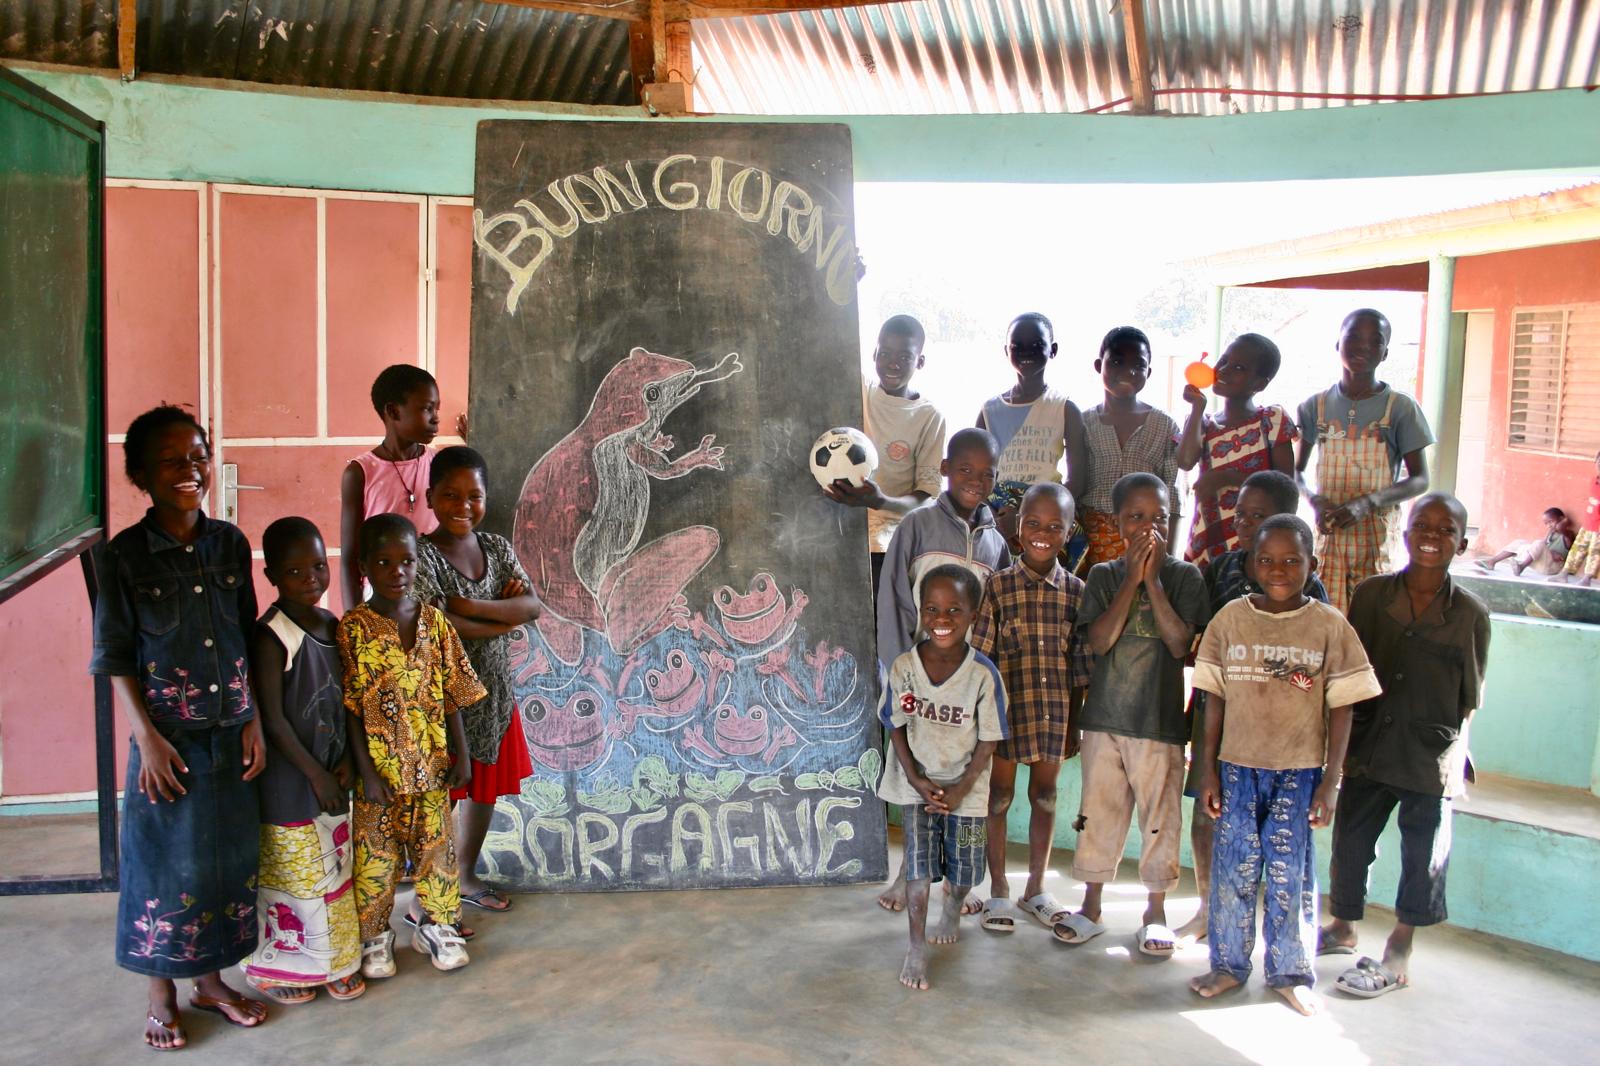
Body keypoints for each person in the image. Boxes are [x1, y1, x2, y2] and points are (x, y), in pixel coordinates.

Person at [90, 405, 269, 1050]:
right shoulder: (123, 557)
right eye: (171, 461)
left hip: (231, 732)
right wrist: (146, 739)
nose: (190, 469)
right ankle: (161, 994)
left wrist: (253, 718)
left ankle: (211, 983)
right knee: (164, 866)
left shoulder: (229, 544)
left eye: (198, 456)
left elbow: (245, 635)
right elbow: (113, 655)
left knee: (224, 863)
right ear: (141, 475)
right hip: (169, 740)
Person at [1189, 514, 1382, 1016]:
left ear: (1312, 564)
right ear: (1251, 564)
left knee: (1289, 874)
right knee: (1233, 869)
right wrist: (1207, 769)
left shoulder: (1329, 626)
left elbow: (1343, 707)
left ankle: (1290, 973)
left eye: (1292, 560)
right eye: (1267, 560)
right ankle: (1228, 965)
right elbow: (1212, 698)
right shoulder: (1229, 619)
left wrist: (1331, 782)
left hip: (1299, 771)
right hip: (1236, 768)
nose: (1278, 569)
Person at [1322, 494, 1490, 998]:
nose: (1432, 536)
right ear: (1405, 530)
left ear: (1462, 543)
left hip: (1428, 755)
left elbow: (1469, 697)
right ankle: (1343, 925)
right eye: (1423, 524)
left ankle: (1400, 948)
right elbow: (1351, 672)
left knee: (1423, 854)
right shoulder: (1372, 595)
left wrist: (1454, 761)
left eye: (1446, 529)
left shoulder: (1470, 614)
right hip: (1370, 743)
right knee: (1351, 841)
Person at [1053, 473, 1207, 956]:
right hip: (1104, 720)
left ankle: (1155, 913)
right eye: (1136, 517)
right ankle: (1091, 906)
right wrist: (1131, 582)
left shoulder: (1184, 578)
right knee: (1098, 815)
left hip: (1159, 725)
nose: (1148, 527)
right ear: (1118, 524)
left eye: (1159, 517)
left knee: (1160, 820)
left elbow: (1179, 644)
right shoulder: (1103, 575)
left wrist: (1153, 582)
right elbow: (1100, 641)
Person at [1175, 470, 1329, 943]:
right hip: (1217, 712)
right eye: (1239, 513)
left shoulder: (1310, 588)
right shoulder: (1222, 569)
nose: (1242, 523)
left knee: (1274, 825)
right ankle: (1208, 908)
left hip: (1280, 727)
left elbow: (1316, 667)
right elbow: (1197, 640)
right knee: (1208, 811)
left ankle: (1266, 922)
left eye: (1257, 516)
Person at [340, 514, 485, 979]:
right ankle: (375, 936)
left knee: (436, 851)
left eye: (406, 561)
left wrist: (462, 754)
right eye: (384, 562)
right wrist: (365, 772)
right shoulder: (353, 628)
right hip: (378, 777)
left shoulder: (435, 623)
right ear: (364, 567)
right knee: (376, 860)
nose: (397, 571)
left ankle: (439, 927)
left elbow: (452, 693)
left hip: (432, 766)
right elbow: (351, 709)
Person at [874, 428, 1010, 914]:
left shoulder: (995, 542)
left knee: (961, 778)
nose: (975, 480)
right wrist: (898, 673)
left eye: (986, 474)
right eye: (965, 469)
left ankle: (957, 881)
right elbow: (893, 599)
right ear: (945, 470)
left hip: (965, 686)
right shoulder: (918, 525)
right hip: (918, 678)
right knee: (915, 769)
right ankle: (905, 873)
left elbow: (995, 614)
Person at [412, 446, 542, 917]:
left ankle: (465, 876)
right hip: (441, 700)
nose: (463, 506)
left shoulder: (497, 549)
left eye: (474, 496)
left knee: (483, 789)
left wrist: (468, 606)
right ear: (430, 497)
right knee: (440, 797)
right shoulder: (420, 555)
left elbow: (531, 607)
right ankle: (431, 895)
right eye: (450, 495)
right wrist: (503, 618)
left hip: (493, 695)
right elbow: (435, 624)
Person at [241, 517, 366, 1005]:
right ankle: (278, 969)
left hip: (330, 775)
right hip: (290, 783)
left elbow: (346, 700)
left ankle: (334, 963)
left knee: (333, 873)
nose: (310, 578)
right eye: (294, 571)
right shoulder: (271, 636)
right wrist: (314, 775)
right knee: (294, 879)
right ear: (271, 575)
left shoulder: (331, 624)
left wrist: (348, 760)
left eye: (317, 566)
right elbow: (273, 720)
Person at [968, 483, 1092, 934]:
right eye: (1033, 524)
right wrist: (985, 723)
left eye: (1054, 527)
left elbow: (1079, 666)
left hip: (1053, 714)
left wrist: (1074, 726)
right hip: (1005, 715)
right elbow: (981, 661)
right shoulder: (997, 587)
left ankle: (1036, 888)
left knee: (1044, 796)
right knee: (998, 797)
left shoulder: (1077, 592)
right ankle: (999, 888)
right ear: (1017, 528)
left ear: (1069, 532)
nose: (1043, 534)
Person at [877, 565, 1008, 990]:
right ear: (920, 611)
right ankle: (916, 946)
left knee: (965, 870)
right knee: (917, 868)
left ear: (973, 615)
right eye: (931, 608)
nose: (942, 618)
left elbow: (989, 739)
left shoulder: (983, 675)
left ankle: (952, 908)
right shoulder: (905, 668)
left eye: (954, 609)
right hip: (918, 787)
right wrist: (916, 780)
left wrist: (961, 788)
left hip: (966, 791)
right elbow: (896, 725)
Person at [1295, 309, 1433, 612]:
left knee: (1371, 615)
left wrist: (1368, 502)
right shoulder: (1314, 407)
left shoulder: (1400, 408)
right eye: (1354, 337)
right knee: (1327, 616)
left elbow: (1421, 479)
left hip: (1375, 538)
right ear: (1338, 344)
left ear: (1385, 353)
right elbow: (1296, 472)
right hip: (1330, 536)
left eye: (1375, 341)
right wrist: (1315, 500)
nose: (1363, 347)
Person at [825, 315, 947, 594]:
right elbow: (832, 348)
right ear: (874, 354)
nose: (893, 364)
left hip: (889, 543)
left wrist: (880, 501)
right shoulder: (860, 390)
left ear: (920, 361)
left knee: (881, 613)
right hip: (841, 532)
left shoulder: (929, 417)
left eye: (905, 357)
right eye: (885, 354)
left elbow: (926, 496)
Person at [1176, 333, 1298, 568]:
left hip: (1258, 540)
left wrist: (1226, 477)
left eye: (1239, 367)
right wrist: (1197, 407)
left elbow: (1286, 489)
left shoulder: (1272, 420)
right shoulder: (1203, 422)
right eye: (1223, 361)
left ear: (1260, 384)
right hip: (1209, 537)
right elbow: (1185, 461)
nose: (1223, 370)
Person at [976, 312, 1087, 551]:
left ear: (1053, 350)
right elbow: (976, 474)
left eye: (1037, 345)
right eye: (1017, 346)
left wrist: (1030, 515)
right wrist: (994, 516)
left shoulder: (1064, 408)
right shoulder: (989, 411)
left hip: (1047, 513)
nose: (1026, 352)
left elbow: (1077, 480)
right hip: (998, 515)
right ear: (1006, 351)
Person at [339, 364, 442, 612]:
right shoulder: (360, 473)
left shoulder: (440, 465)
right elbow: (351, 556)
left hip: (436, 595)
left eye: (437, 408)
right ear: (394, 411)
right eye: (427, 408)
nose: (436, 418)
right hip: (381, 598)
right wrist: (352, 619)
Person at [1078, 327, 1183, 567]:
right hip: (1090, 541)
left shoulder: (1164, 425)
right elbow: (1076, 485)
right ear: (1099, 365)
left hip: (1146, 538)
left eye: (1139, 365)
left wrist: (1167, 557)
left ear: (1149, 372)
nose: (1128, 371)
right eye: (1117, 362)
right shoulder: (1083, 422)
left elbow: (1173, 494)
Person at [1474, 506, 1573, 577]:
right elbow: (1543, 545)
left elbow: (1560, 527)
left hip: (1553, 568)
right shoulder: (1552, 534)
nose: (1549, 526)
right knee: (1519, 542)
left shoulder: (1567, 535)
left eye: (1551, 522)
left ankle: (1521, 567)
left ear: (1561, 519)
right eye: (1546, 524)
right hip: (1543, 565)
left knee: (1538, 543)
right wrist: (1549, 536)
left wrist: (1564, 521)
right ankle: (1491, 562)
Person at [1553, 451, 1600, 587]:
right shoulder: (1595, 481)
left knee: (1595, 552)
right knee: (1578, 548)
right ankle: (1564, 574)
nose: (1599, 465)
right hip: (1588, 523)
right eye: (1598, 461)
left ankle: (1587, 579)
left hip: (1598, 526)